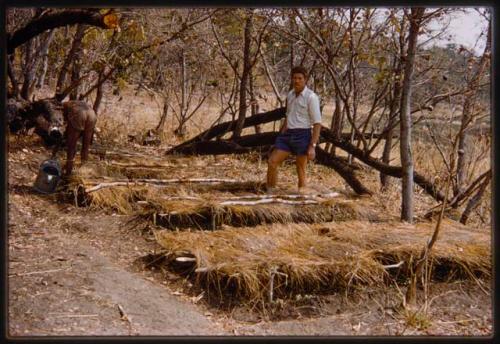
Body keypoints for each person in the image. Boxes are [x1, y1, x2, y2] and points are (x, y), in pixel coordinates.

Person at [266, 66, 322, 194]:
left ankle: (302, 198)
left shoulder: (311, 97)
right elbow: (288, 116)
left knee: (300, 169)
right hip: (288, 134)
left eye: (300, 78)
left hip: (303, 135)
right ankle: (270, 194)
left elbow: (317, 123)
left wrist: (312, 146)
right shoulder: (290, 95)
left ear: (305, 80)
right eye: (294, 78)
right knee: (272, 162)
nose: (297, 81)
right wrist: (281, 134)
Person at [50, 100, 97, 176]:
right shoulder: (72, 104)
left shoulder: (63, 107)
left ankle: (68, 170)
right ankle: (83, 169)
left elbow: (63, 123)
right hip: (92, 114)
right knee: (85, 147)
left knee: (71, 146)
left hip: (79, 113)